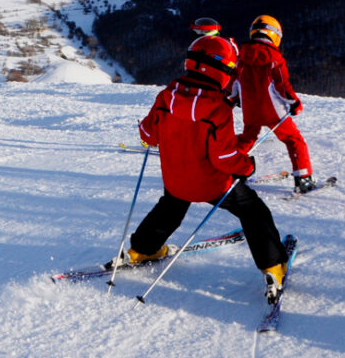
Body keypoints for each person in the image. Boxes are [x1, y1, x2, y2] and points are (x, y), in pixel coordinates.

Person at [113, 34, 290, 300]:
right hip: (212, 185)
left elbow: (148, 135)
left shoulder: (166, 97)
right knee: (254, 211)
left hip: (175, 179)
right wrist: (246, 166)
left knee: (171, 206)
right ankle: (273, 265)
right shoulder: (218, 109)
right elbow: (224, 158)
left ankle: (142, 249)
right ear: (222, 71)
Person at [232, 15, 315, 194]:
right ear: (274, 34)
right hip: (273, 112)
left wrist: (234, 99)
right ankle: (303, 179)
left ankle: (232, 171)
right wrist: (295, 103)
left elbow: (234, 82)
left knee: (247, 139)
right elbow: (282, 86)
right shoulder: (275, 58)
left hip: (250, 109)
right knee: (294, 140)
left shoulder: (241, 56)